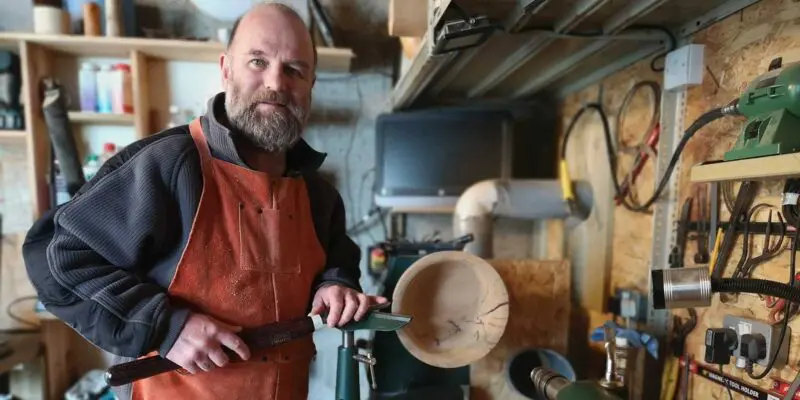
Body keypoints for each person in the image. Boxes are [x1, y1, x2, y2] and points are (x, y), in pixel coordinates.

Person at [22, 3, 386, 400]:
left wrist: (335, 286)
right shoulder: (168, 165)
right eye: (258, 61)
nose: (276, 83)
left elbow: (337, 262)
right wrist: (164, 326)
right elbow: (59, 257)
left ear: (311, 84)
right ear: (226, 69)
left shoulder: (319, 196)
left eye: (295, 70)